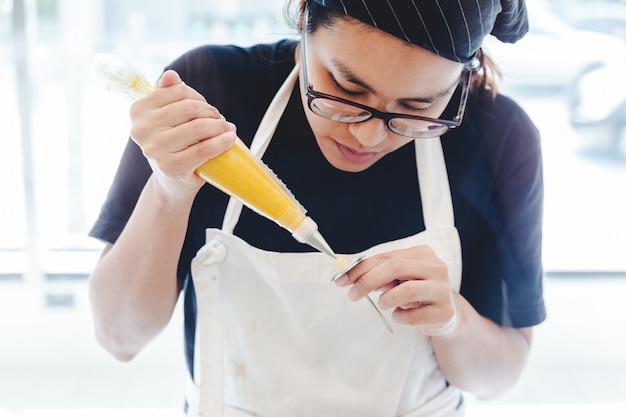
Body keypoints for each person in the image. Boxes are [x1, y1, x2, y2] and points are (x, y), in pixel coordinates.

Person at [88, 0, 545, 415]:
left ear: (461, 79)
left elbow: (498, 377)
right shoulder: (212, 96)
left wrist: (452, 320)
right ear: (305, 16)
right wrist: (169, 189)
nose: (368, 136)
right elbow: (119, 338)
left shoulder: (500, 140)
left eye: (417, 107)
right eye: (346, 90)